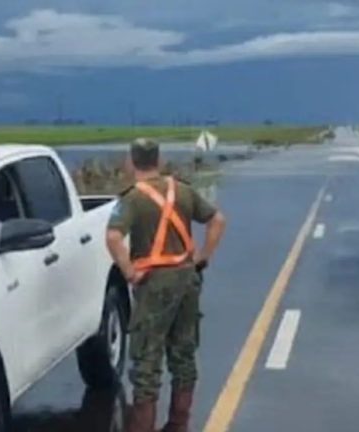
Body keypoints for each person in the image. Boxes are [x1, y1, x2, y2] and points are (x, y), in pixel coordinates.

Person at [105, 138, 226, 432]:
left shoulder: (132, 199)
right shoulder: (181, 190)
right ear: (158, 161)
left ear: (131, 162)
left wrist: (129, 272)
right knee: (183, 355)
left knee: (146, 363)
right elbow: (217, 219)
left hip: (154, 285)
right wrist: (202, 256)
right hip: (186, 280)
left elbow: (113, 237)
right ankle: (178, 424)